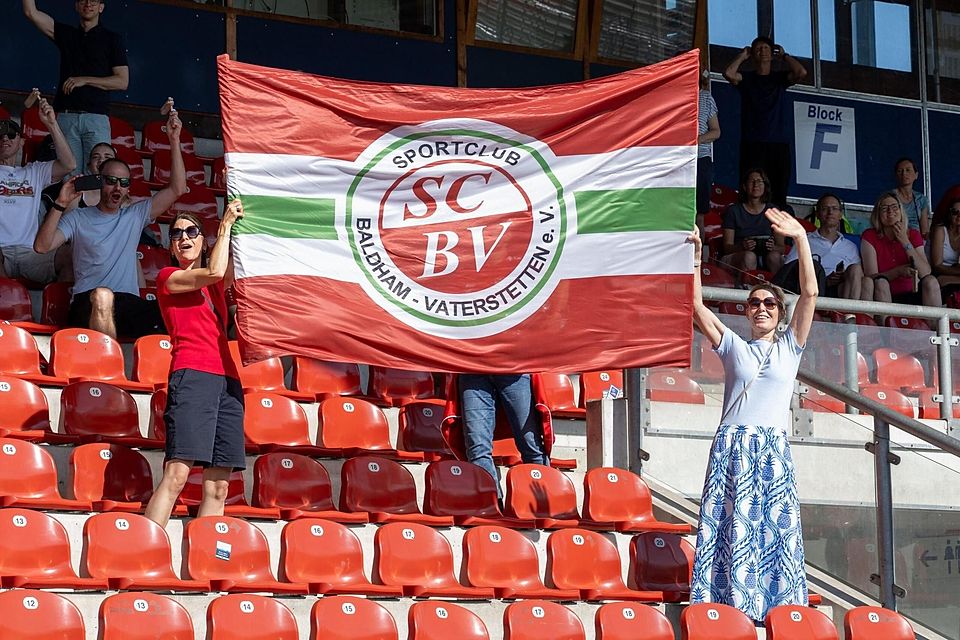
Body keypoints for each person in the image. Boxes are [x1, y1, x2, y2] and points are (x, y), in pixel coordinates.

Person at [688, 207, 817, 623]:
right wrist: (693, 258)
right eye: (753, 303)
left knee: (773, 533)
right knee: (730, 529)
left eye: (769, 303)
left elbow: (811, 295)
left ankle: (776, 611)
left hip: (772, 446)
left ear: (780, 314)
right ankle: (725, 608)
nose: (760, 307)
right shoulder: (733, 346)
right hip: (733, 444)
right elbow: (694, 305)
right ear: (746, 312)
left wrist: (801, 239)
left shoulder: (789, 347)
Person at [34, 109, 187, 339]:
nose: (117, 187)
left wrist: (174, 140)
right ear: (99, 181)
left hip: (127, 304)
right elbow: (42, 247)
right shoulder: (78, 218)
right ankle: (108, 368)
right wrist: (60, 203)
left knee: (177, 312)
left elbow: (176, 189)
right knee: (103, 296)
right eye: (111, 181)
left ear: (128, 188)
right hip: (88, 303)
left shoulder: (134, 215)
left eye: (123, 182)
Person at [144, 201, 245, 527]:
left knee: (218, 486)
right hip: (193, 375)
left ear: (203, 241)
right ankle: (143, 552)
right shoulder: (167, 277)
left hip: (228, 381)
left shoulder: (215, 285)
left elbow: (233, 261)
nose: (183, 237)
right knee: (177, 474)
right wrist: (225, 224)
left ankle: (208, 561)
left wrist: (241, 205)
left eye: (191, 231)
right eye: (176, 234)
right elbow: (215, 270)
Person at [22, 0, 129, 176]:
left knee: (98, 175)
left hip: (96, 117)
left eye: (94, 0)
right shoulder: (67, 34)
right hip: (66, 116)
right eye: (83, 0)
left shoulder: (111, 39)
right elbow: (30, 12)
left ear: (101, 7)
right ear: (76, 6)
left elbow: (122, 81)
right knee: (68, 176)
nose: (88, 4)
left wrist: (84, 80)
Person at [724, 36, 807, 208]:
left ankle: (777, 232)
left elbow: (801, 72)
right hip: (752, 142)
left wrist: (784, 56)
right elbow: (729, 74)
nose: (763, 52)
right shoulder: (747, 79)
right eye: (758, 49)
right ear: (753, 55)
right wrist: (742, 56)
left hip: (778, 143)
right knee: (750, 189)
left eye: (766, 48)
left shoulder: (780, 78)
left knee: (778, 191)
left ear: (772, 53)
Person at [0, 100, 75, 282]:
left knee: (71, 256)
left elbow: (69, 164)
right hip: (0, 251)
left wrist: (51, 124)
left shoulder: (34, 171)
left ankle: (59, 309)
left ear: (22, 142)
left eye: (11, 134)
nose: (5, 139)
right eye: (0, 135)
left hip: (31, 252)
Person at [460, 374, 550, 498]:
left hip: (513, 368)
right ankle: (491, 505)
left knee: (531, 444)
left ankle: (545, 502)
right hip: (473, 370)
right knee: (477, 449)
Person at [860, 191, 940, 308]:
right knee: (881, 282)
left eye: (894, 207)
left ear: (901, 211)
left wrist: (905, 241)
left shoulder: (913, 234)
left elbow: (925, 272)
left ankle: (937, 326)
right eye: (884, 208)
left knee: (931, 281)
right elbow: (871, 277)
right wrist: (897, 272)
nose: (890, 211)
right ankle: (887, 325)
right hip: (884, 295)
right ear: (878, 214)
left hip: (912, 292)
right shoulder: (870, 236)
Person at [783, 193, 863, 299]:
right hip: (812, 292)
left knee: (856, 269)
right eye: (825, 208)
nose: (830, 212)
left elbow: (858, 277)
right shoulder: (804, 240)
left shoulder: (850, 246)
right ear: (817, 214)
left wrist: (844, 276)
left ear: (840, 214)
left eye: (834, 208)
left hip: (842, 292)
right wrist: (824, 280)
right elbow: (789, 272)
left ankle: (851, 314)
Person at [721, 168, 784, 274]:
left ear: (765, 186)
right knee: (749, 256)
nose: (756, 185)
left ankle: (778, 289)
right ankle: (747, 288)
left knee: (775, 256)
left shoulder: (774, 211)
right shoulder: (733, 211)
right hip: (737, 256)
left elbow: (781, 248)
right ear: (745, 187)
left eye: (759, 181)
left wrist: (774, 247)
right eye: (752, 181)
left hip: (765, 258)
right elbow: (726, 248)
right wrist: (741, 246)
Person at [696, 65, 721, 242]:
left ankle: (698, 261)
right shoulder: (670, 95)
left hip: (700, 159)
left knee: (699, 213)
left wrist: (696, 140)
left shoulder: (705, 97)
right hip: (675, 159)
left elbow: (716, 131)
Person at [928, 197, 960, 301]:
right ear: (949, 214)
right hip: (937, 273)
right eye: (955, 212)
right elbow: (937, 265)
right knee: (942, 281)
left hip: (955, 274)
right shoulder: (940, 230)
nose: (958, 216)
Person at [893, 157, 929, 238]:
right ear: (896, 175)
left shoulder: (921, 199)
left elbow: (924, 231)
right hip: (897, 237)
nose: (904, 174)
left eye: (908, 170)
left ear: (916, 175)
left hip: (917, 241)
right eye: (900, 171)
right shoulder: (890, 197)